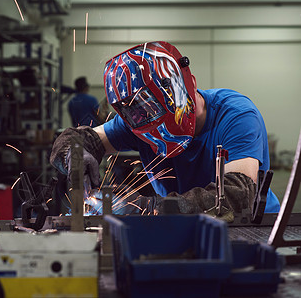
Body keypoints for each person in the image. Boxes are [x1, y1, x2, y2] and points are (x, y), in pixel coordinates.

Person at [50, 41, 280, 218]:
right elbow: (82, 138)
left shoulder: (236, 115)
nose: (147, 117)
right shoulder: (138, 120)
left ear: (179, 87)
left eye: (152, 107)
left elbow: (236, 198)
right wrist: (74, 154)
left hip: (251, 227)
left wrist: (147, 209)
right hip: (180, 226)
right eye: (138, 112)